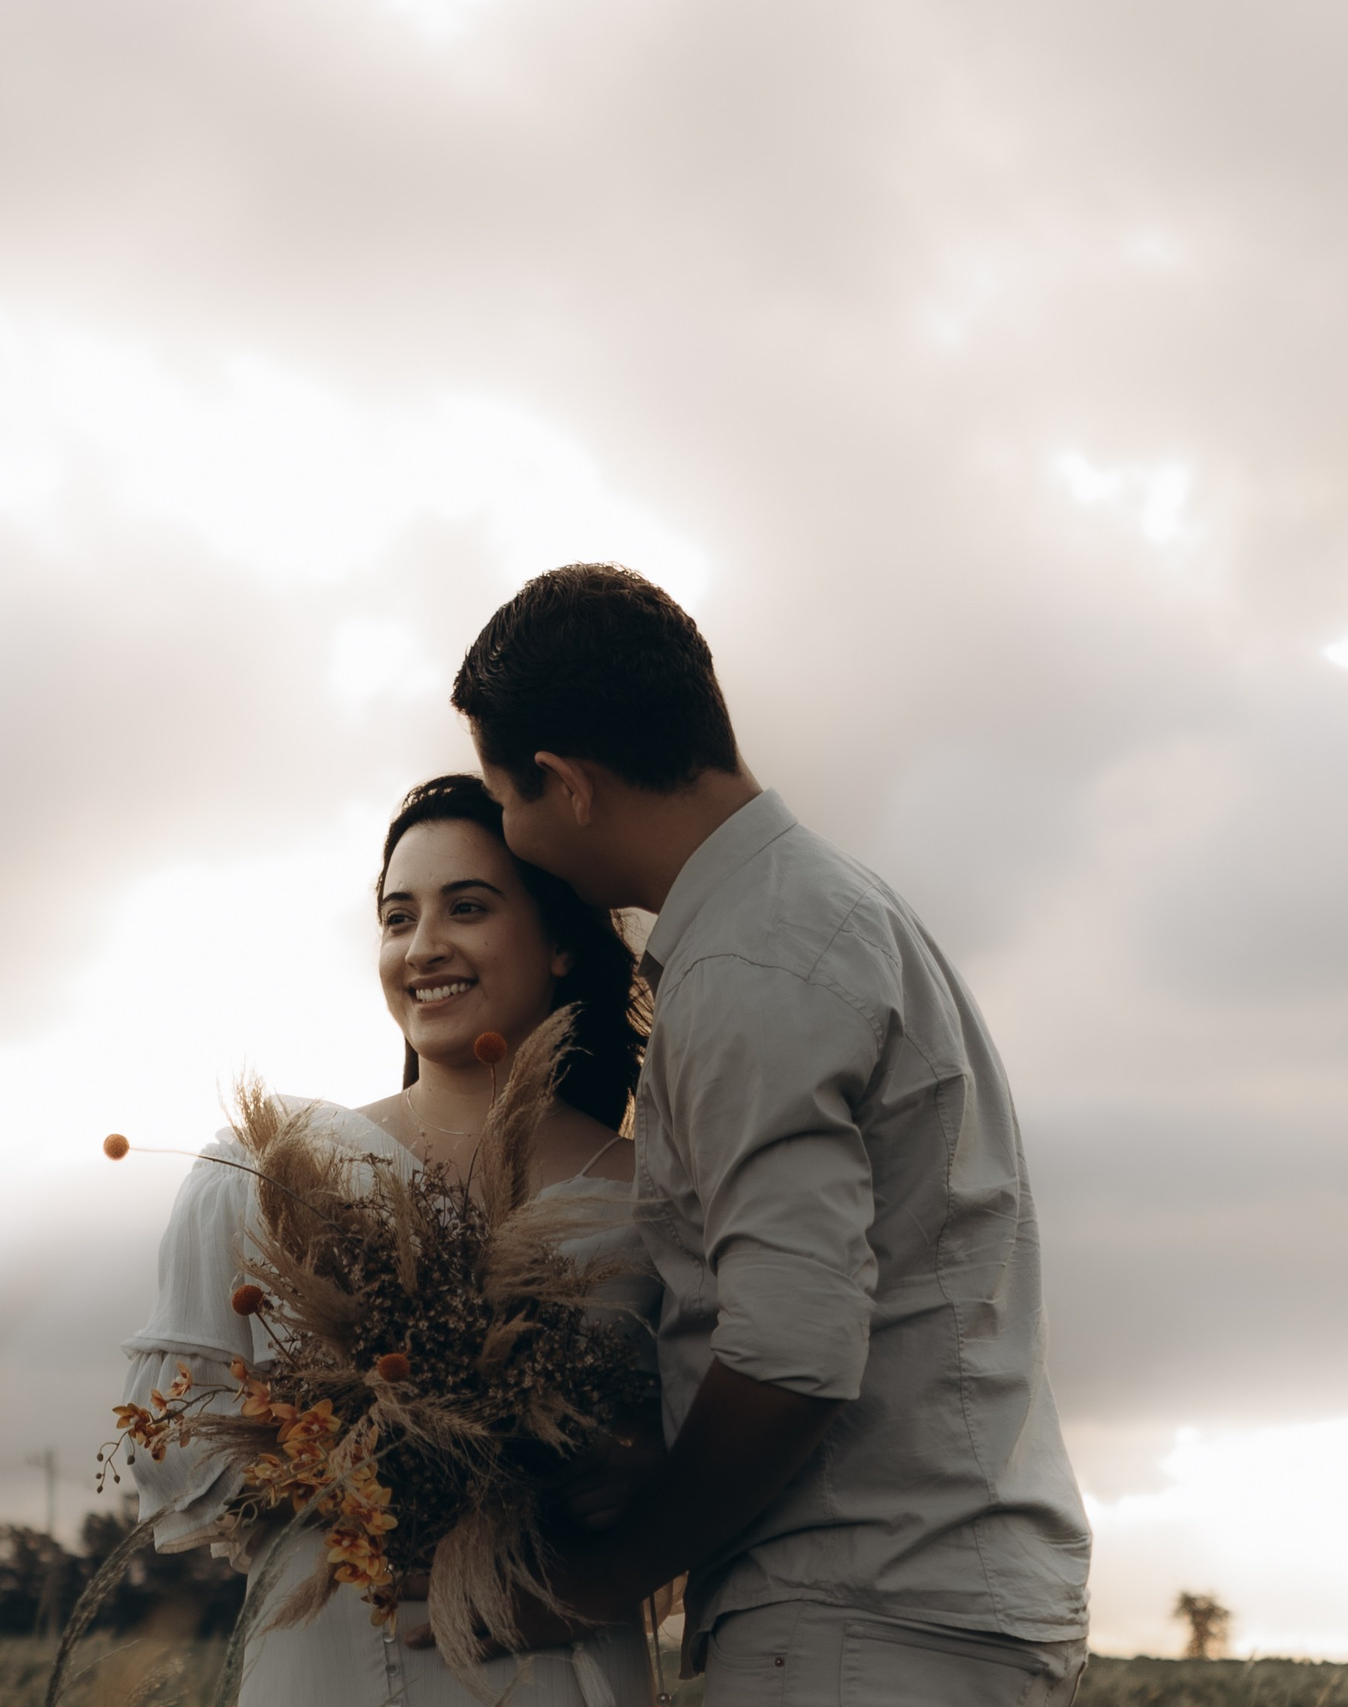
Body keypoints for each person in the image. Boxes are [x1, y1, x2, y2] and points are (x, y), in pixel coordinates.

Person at [424, 563, 1093, 1706]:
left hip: (861, 1618)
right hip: (933, 1599)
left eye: (512, 805)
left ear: (567, 785)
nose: (516, 838)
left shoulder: (748, 965)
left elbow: (792, 1352)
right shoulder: (831, 906)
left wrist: (600, 1579)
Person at [118, 773, 664, 1707]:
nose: (424, 947)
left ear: (564, 941)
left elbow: (711, 1439)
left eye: (468, 907)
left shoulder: (658, 1201)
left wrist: (623, 1455)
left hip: (548, 1669)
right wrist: (329, 1442)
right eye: (397, 916)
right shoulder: (270, 1171)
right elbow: (175, 1444)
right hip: (326, 1657)